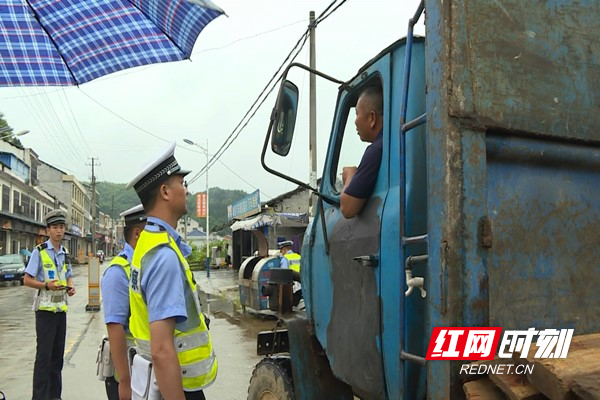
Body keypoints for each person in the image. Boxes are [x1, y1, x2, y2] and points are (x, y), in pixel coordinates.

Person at [127, 142, 217, 400]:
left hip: (159, 381)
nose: (187, 191)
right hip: (174, 386)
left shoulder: (147, 242)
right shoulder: (163, 255)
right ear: (165, 192)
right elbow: (162, 348)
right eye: (182, 184)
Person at [23, 209, 76, 400]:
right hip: (45, 312)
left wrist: (70, 287)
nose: (59, 231)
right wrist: (46, 285)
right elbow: (27, 280)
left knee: (57, 358)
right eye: (55, 227)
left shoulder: (65, 253)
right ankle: (39, 396)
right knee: (44, 357)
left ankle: (55, 396)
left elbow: (69, 275)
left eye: (61, 227)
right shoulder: (40, 252)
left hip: (60, 311)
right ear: (48, 230)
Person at [100, 204, 146, 400]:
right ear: (137, 234)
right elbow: (114, 326)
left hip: (145, 369)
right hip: (127, 375)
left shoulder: (145, 265)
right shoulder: (119, 271)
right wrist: (125, 382)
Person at [340, 85, 384, 219]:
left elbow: (347, 209)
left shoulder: (376, 150)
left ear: (371, 118)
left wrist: (350, 175)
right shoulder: (391, 141)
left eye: (357, 114)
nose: (355, 121)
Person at [277, 240, 302, 307]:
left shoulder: (285, 259)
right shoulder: (299, 257)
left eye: (281, 251)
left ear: (285, 249)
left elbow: (284, 274)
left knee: (290, 307)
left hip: (292, 288)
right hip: (301, 286)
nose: (281, 253)